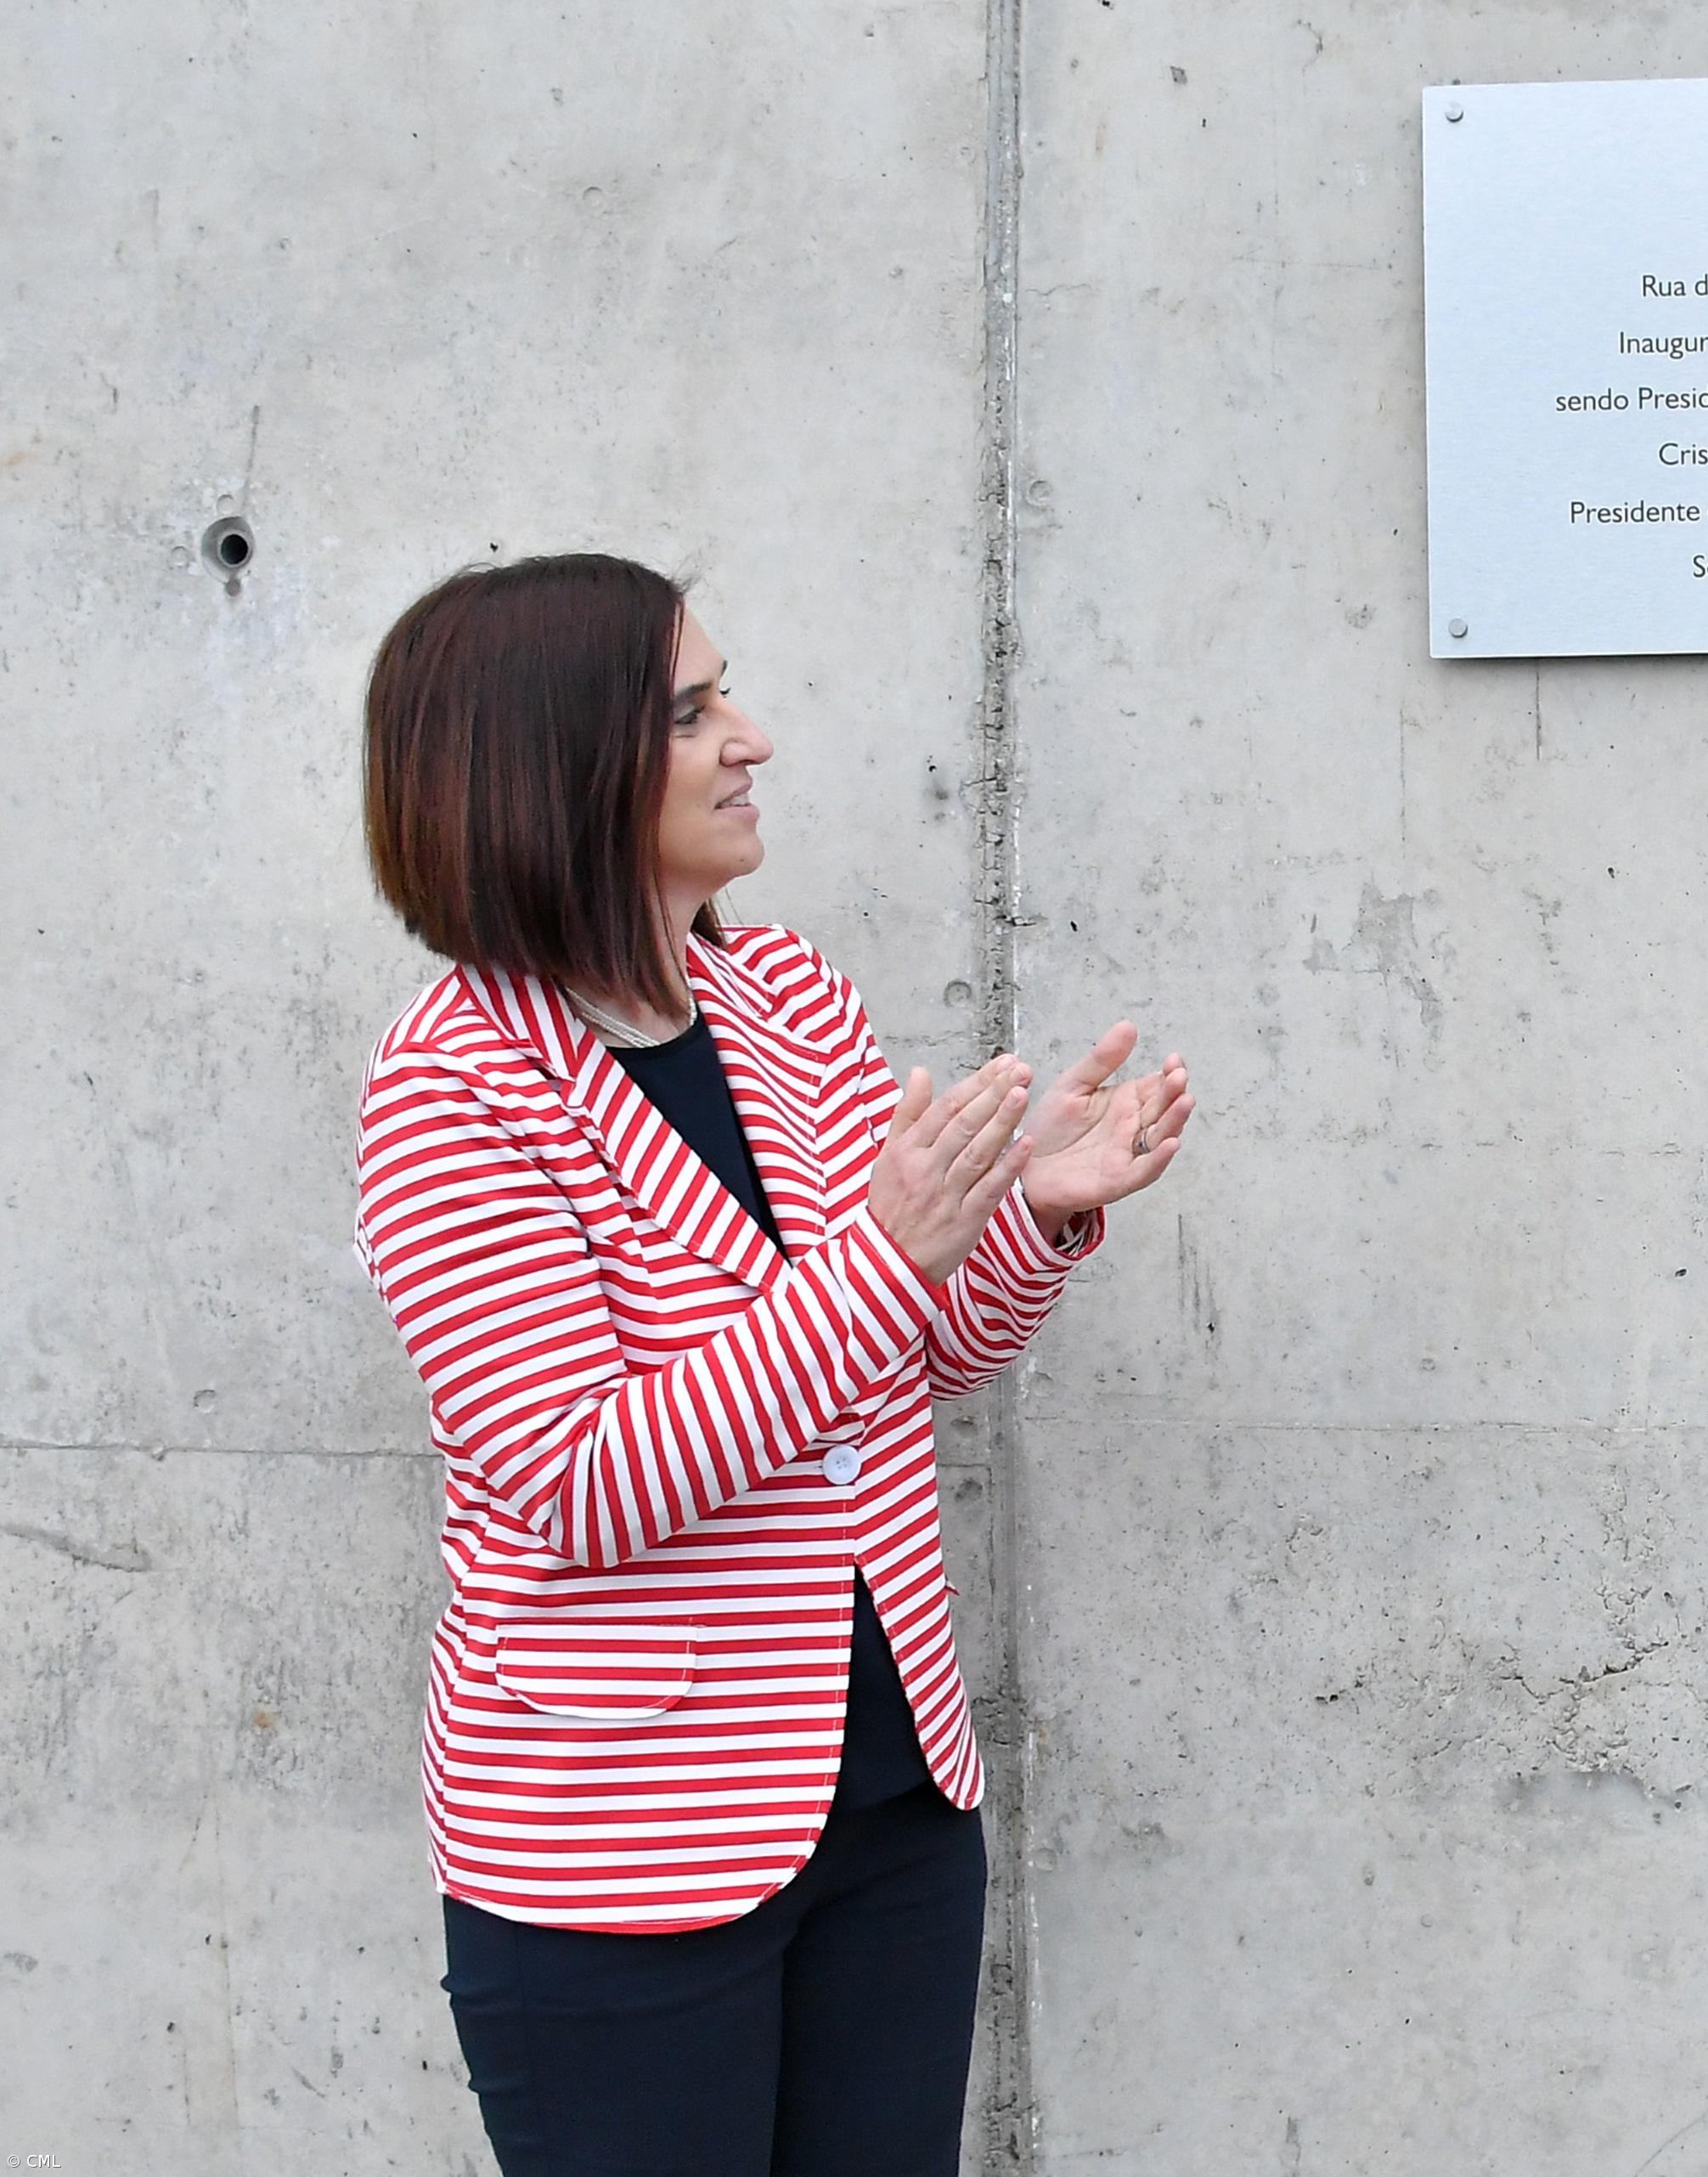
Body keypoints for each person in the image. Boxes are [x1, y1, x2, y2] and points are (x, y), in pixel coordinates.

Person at [351, 554, 1195, 2177]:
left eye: (725, 692)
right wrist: (885, 1259)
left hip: (888, 1808)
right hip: (623, 1851)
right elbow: (580, 1482)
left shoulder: (783, 998)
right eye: (692, 709)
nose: (753, 737)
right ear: (553, 767)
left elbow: (913, 1351)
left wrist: (1033, 1216)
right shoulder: (451, 1084)